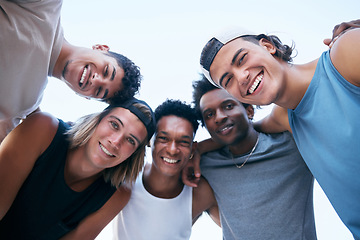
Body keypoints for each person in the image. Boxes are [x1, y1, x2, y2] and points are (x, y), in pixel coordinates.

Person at [199, 20, 360, 239]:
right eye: (228, 80)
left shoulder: (343, 57)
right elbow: (243, 130)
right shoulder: (285, 118)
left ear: (267, 46)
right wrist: (196, 150)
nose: (242, 77)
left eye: (242, 58)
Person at [0, 97, 155, 239]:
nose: (115, 142)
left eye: (130, 140)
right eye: (114, 125)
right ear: (98, 120)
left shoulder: (115, 195)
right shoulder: (43, 129)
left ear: (134, 155)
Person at [188, 76, 316, 240]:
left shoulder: (291, 144)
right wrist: (199, 149)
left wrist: (205, 145)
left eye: (228, 106)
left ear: (249, 110)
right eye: (209, 114)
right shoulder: (205, 166)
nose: (219, 117)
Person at [0, 0, 142, 143]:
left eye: (99, 91)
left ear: (86, 97)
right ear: (100, 48)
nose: (96, 80)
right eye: (106, 71)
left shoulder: (25, 104)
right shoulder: (45, 6)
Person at [113, 99, 219, 240]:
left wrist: (202, 149)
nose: (173, 150)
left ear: (193, 148)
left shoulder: (199, 193)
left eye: (183, 142)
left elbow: (242, 231)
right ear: (150, 140)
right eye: (164, 138)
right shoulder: (125, 178)